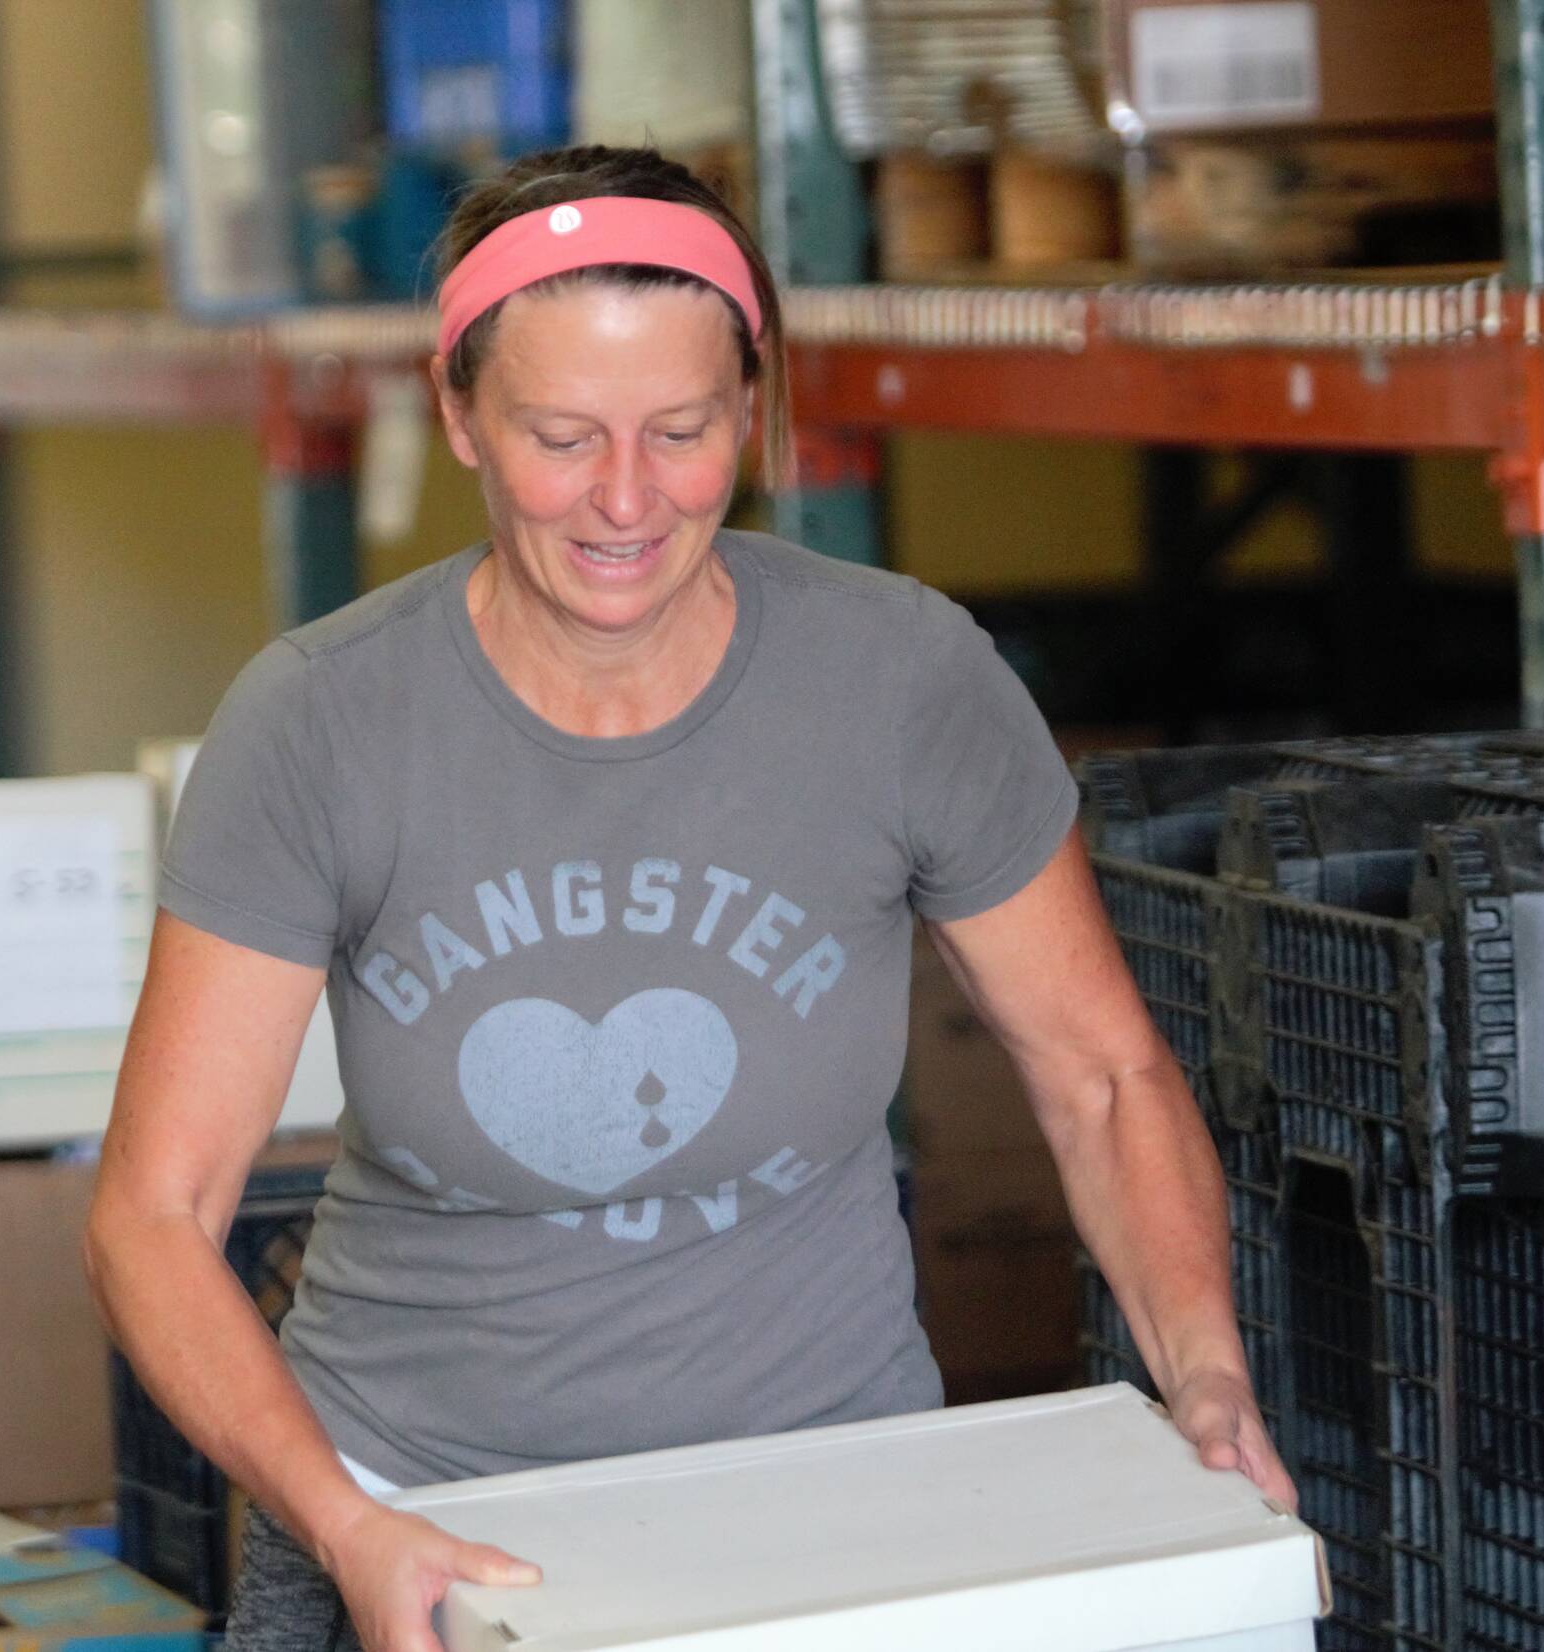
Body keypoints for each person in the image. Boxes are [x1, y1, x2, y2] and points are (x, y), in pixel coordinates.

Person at [85, 145, 1295, 1652]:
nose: (624, 498)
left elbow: (1103, 1075)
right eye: (561, 434)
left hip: (827, 1515)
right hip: (422, 1521)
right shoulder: (323, 723)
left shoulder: (900, 681)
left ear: (754, 411)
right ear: (460, 414)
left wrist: (1205, 1374)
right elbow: (153, 1211)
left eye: (680, 429)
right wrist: (348, 1527)